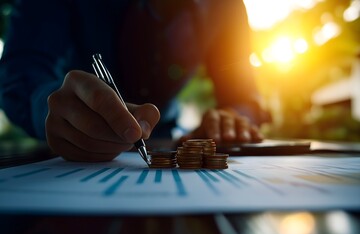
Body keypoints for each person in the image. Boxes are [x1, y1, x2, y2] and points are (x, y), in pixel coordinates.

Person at [0, 0, 268, 162]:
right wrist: (50, 108)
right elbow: (21, 70)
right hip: (70, 145)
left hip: (168, 141)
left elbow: (243, 96)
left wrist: (231, 119)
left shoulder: (226, 7)